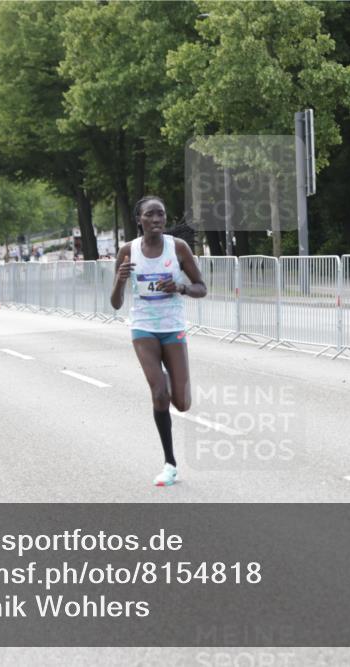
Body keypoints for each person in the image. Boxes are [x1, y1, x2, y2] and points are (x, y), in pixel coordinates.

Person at [111, 196, 207, 487]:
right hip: (143, 328)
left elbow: (201, 287)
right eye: (150, 215)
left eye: (161, 215)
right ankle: (170, 463)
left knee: (182, 402)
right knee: (159, 393)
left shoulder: (177, 248)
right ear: (139, 219)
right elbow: (115, 303)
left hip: (173, 328)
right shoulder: (127, 251)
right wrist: (120, 279)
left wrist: (180, 286)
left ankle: (170, 379)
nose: (157, 220)